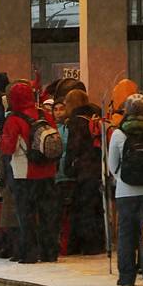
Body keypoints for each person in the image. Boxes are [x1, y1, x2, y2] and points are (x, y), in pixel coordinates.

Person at [0, 81, 61, 264]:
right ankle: (50, 252)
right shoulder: (45, 114)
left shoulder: (13, 119)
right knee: (47, 215)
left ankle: (29, 252)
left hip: (24, 174)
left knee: (26, 215)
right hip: (48, 172)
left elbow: (8, 148)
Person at [107, 95, 143, 286]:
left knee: (126, 235)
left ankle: (127, 276)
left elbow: (112, 164)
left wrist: (123, 178)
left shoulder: (118, 134)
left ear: (126, 110)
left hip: (124, 192)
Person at [61, 89, 105, 255]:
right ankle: (97, 242)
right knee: (95, 207)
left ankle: (85, 244)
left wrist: (68, 167)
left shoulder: (76, 121)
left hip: (83, 171)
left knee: (82, 208)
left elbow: (74, 147)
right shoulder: (95, 117)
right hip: (96, 168)